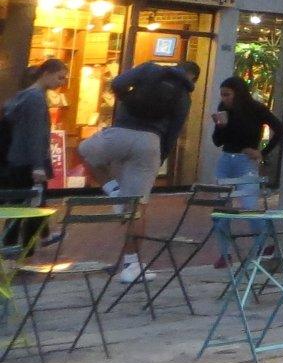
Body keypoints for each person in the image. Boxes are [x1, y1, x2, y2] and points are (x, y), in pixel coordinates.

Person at [78, 60, 198, 283]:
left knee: (84, 152)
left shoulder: (149, 69)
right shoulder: (184, 94)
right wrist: (159, 156)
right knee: (138, 207)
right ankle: (132, 266)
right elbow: (174, 131)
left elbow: (117, 83)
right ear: (193, 78)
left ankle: (113, 191)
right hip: (150, 142)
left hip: (121, 130)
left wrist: (128, 100)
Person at [211, 76, 283, 206]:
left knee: (249, 204)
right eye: (222, 95)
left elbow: (280, 130)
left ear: (238, 94)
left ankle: (260, 226)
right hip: (226, 158)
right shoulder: (224, 108)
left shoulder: (256, 109)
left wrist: (263, 152)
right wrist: (220, 126)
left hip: (246, 160)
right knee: (221, 204)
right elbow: (217, 141)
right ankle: (222, 226)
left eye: (227, 95)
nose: (224, 98)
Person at [3, 59, 66, 191]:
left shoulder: (25, 96)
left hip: (18, 159)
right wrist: (38, 166)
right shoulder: (35, 98)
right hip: (29, 163)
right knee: (33, 206)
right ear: (46, 74)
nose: (62, 82)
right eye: (59, 77)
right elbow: (35, 133)